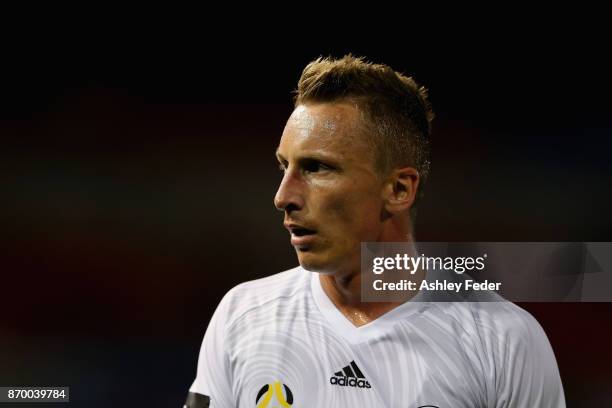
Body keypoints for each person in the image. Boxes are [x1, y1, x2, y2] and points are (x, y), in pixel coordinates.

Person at [184, 55, 565, 407]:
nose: (283, 196)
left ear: (398, 189)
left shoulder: (503, 341)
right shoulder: (243, 314)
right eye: (285, 166)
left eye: (317, 168)